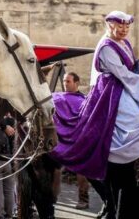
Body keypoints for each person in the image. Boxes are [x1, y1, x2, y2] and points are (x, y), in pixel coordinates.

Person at [50, 11, 139, 218]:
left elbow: (131, 66)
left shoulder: (125, 43)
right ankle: (127, 151)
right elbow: (120, 72)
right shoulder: (106, 48)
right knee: (132, 115)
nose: (124, 31)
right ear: (110, 26)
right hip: (111, 89)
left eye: (127, 27)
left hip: (125, 84)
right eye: (120, 27)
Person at [52, 72, 92, 210]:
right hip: (60, 141)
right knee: (55, 168)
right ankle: (53, 196)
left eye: (68, 81)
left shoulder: (84, 101)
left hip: (77, 142)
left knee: (81, 171)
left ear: (76, 83)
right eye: (64, 81)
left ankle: (83, 199)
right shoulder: (57, 97)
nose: (65, 83)